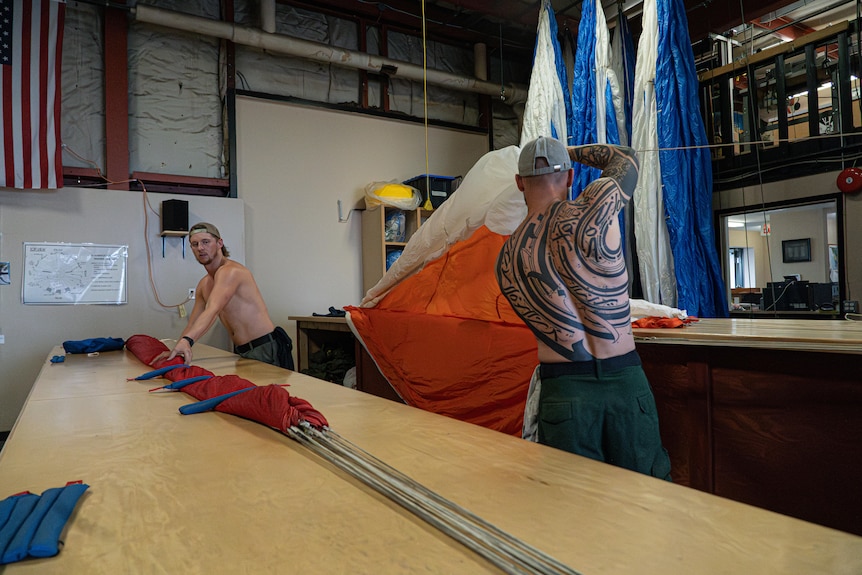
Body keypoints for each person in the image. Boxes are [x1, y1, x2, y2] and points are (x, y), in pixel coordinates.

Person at [496, 136, 671, 480]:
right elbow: (626, 158)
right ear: (572, 176)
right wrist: (568, 153)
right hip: (624, 380)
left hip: (565, 392)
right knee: (649, 503)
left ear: (519, 183)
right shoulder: (596, 211)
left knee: (574, 511)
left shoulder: (507, 261)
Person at [158, 222, 294, 370]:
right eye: (195, 244)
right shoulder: (204, 285)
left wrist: (187, 341)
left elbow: (213, 310)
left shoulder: (230, 272)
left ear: (219, 243)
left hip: (264, 348)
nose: (200, 248)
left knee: (271, 393)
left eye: (206, 242)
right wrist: (178, 349)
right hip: (243, 350)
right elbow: (193, 323)